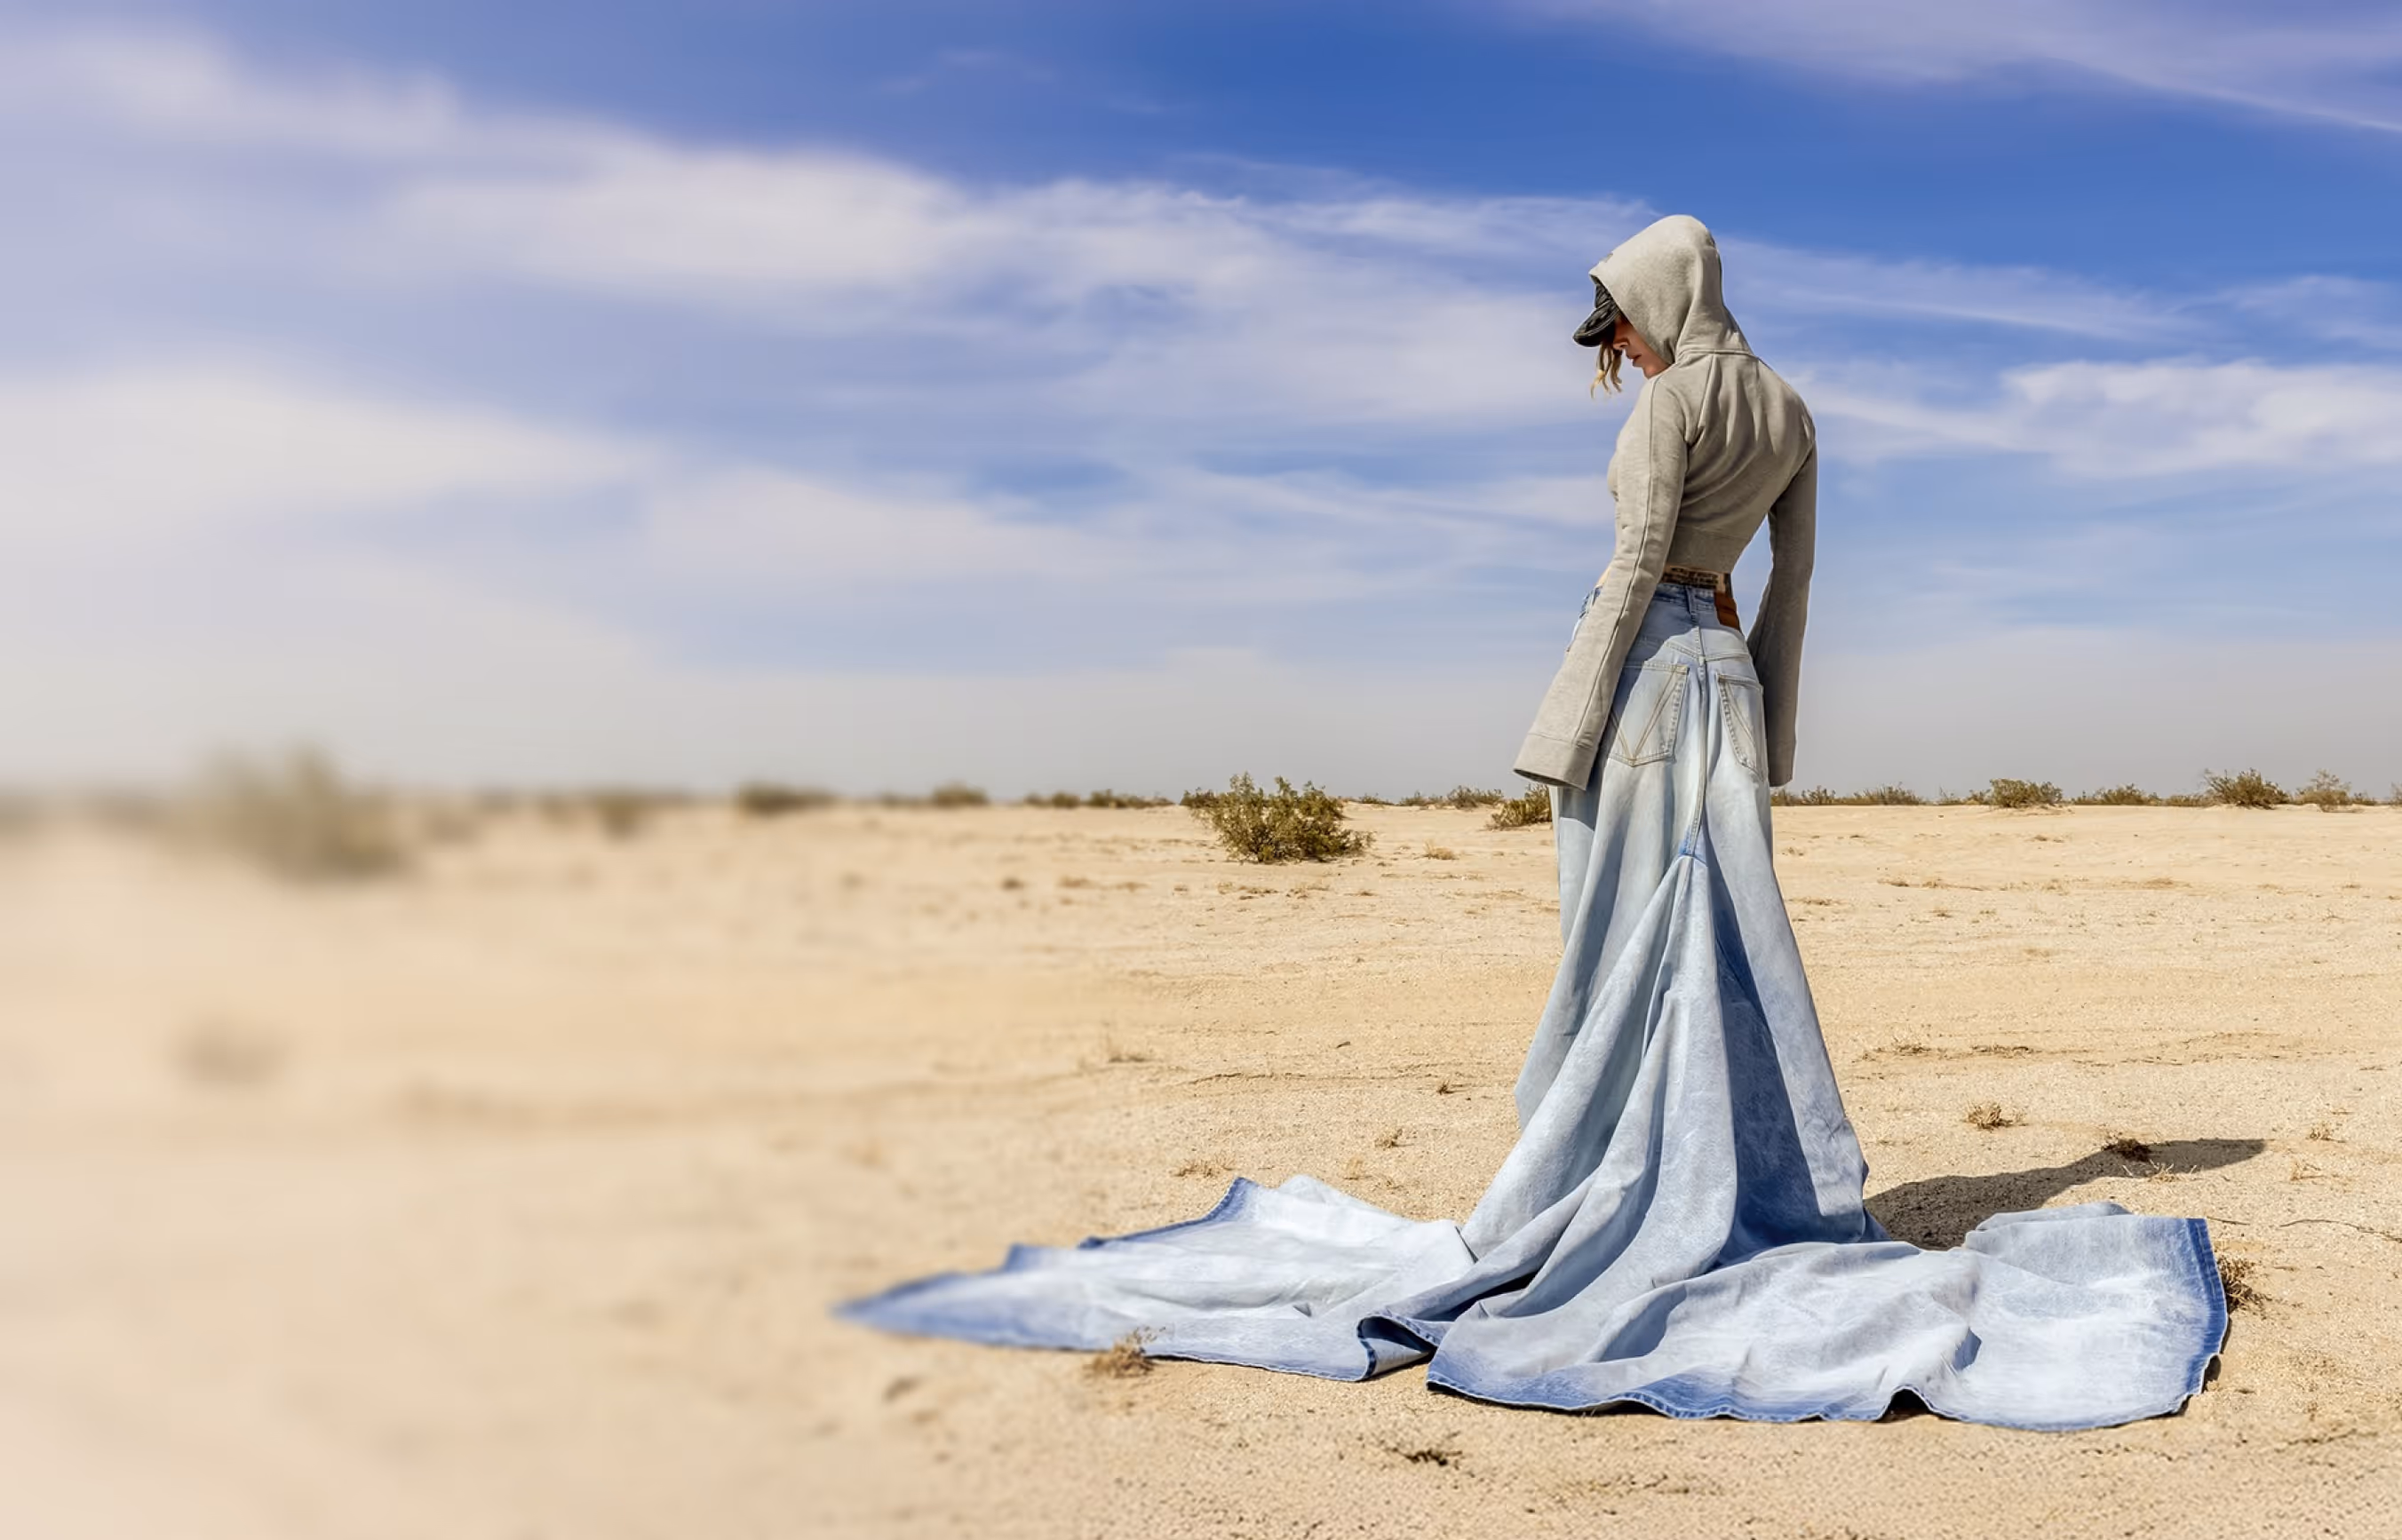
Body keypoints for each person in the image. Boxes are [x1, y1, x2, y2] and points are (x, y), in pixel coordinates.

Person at [839, 216, 2227, 1431]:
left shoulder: (1673, 409)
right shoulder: (1795, 412)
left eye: (1618, 321)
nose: (1611, 346)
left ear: (1656, 305)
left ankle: (1623, 1182)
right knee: (1717, 933)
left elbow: (1634, 564)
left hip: (1642, 678)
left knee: (1624, 934)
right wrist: (1776, 726)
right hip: (1728, 685)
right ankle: (1724, 1172)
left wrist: (1561, 727)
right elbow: (1793, 581)